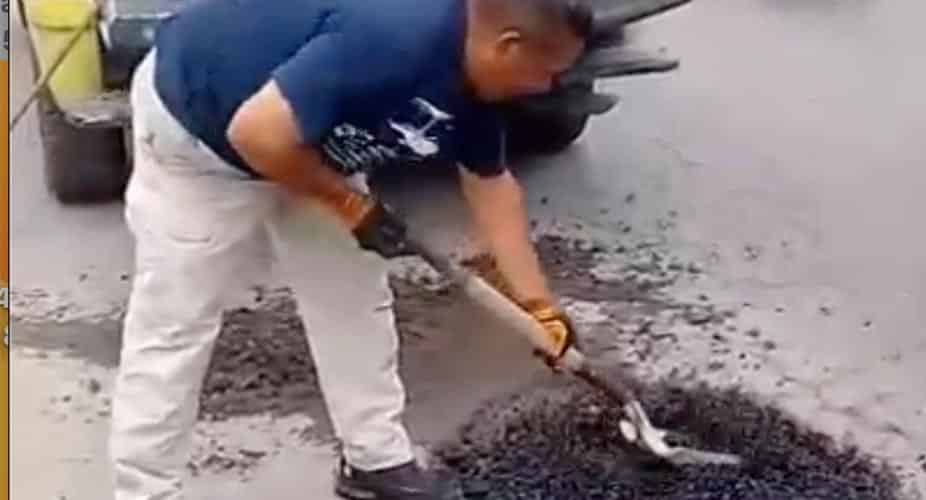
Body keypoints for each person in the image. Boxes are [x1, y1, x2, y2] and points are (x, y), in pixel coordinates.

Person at [108, 0, 592, 498]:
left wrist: (539, 309)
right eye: (549, 71)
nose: (550, 86)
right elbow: (257, 134)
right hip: (204, 135)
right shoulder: (398, 40)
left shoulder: (481, 83)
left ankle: (374, 460)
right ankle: (145, 489)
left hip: (310, 139)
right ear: (507, 46)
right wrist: (349, 205)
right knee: (176, 322)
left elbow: (493, 190)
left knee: (353, 296)